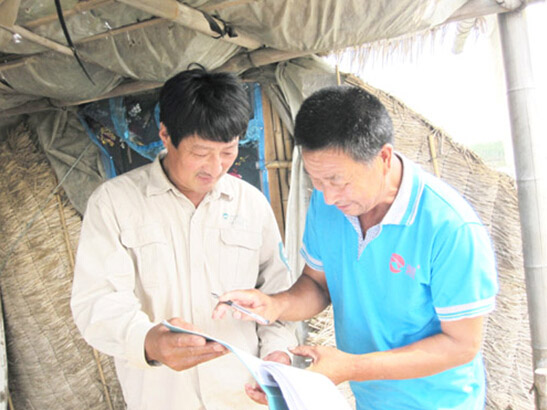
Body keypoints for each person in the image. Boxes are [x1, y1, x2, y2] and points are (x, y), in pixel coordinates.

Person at [213, 84, 499, 409]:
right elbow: (317, 285)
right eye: (317, 181)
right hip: (370, 401)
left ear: (383, 158)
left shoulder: (449, 227)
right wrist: (275, 305)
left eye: (339, 181)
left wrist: (351, 367)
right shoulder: (327, 203)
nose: (329, 197)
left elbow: (462, 345)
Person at [71, 68, 298, 410]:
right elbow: (97, 301)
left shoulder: (251, 205)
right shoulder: (114, 204)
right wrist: (149, 342)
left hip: (244, 398)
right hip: (162, 399)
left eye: (228, 151)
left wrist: (277, 354)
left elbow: (278, 296)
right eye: (200, 152)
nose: (215, 167)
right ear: (165, 134)